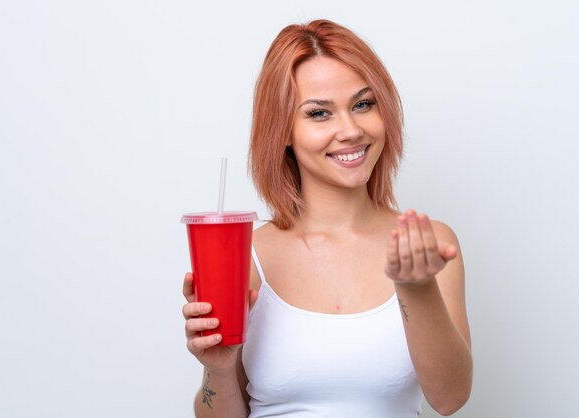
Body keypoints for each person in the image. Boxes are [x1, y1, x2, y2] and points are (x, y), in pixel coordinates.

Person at [182, 19, 472, 417]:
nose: (350, 130)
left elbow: (450, 398)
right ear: (283, 129)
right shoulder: (246, 255)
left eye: (363, 104)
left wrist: (416, 287)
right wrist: (218, 369)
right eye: (320, 113)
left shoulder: (426, 245)